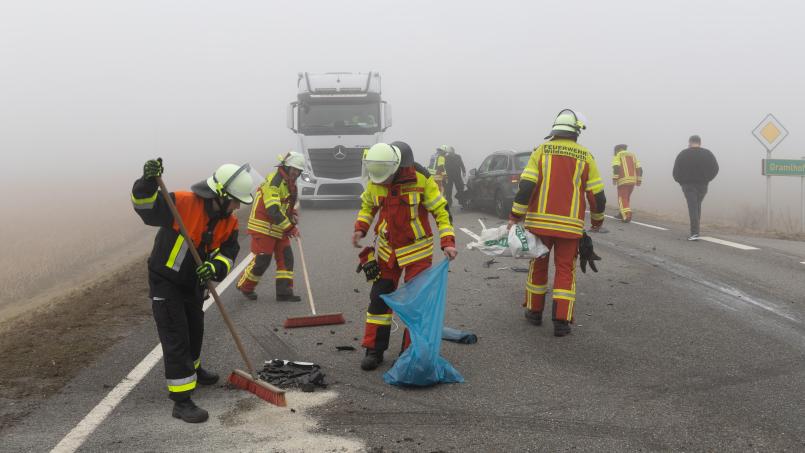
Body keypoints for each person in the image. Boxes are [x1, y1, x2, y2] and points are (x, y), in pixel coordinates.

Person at [131, 158, 252, 423]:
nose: (237, 206)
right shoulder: (183, 203)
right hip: (166, 281)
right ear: (220, 195)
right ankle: (182, 400)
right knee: (177, 337)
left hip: (193, 283)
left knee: (195, 330)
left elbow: (229, 253)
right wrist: (147, 181)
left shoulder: (228, 222)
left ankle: (194, 372)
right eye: (234, 200)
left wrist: (214, 268)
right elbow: (146, 208)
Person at [352, 141, 457, 371]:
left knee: (415, 304)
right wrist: (361, 227)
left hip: (417, 252)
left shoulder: (421, 180)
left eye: (386, 179)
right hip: (388, 252)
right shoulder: (377, 177)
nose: (383, 183)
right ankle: (374, 350)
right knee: (378, 299)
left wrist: (448, 242)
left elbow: (441, 211)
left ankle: (410, 352)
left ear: (397, 167)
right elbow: (368, 205)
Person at [508, 109, 606, 337]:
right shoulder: (586, 156)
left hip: (540, 224)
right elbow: (597, 195)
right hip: (569, 228)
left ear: (554, 130)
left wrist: (515, 216)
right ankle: (561, 322)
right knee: (565, 271)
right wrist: (598, 220)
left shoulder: (540, 151)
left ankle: (534, 312)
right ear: (576, 132)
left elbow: (526, 188)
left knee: (538, 266)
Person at [237, 151, 305, 301]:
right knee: (262, 260)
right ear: (286, 167)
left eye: (298, 171)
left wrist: (291, 211)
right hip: (263, 227)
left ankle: (284, 292)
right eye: (293, 169)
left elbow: (283, 203)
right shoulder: (274, 181)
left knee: (287, 258)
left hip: (279, 227)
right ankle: (245, 286)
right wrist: (291, 228)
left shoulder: (290, 183)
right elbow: (273, 210)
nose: (295, 173)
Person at [672, 135, 719, 241]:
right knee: (697, 206)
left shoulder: (683, 154)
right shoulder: (708, 154)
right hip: (703, 185)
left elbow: (675, 171)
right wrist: (707, 179)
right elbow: (715, 168)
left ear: (689, 142)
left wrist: (681, 182)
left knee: (693, 207)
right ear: (700, 142)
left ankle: (695, 233)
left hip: (688, 185)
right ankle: (696, 231)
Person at [611, 144, 643, 222]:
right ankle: (621, 214)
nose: (615, 152)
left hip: (623, 180)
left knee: (622, 198)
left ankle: (627, 215)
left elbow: (616, 167)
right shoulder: (633, 155)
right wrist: (639, 180)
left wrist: (614, 178)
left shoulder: (618, 155)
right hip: (632, 180)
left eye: (615, 150)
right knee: (626, 198)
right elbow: (640, 169)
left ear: (619, 149)